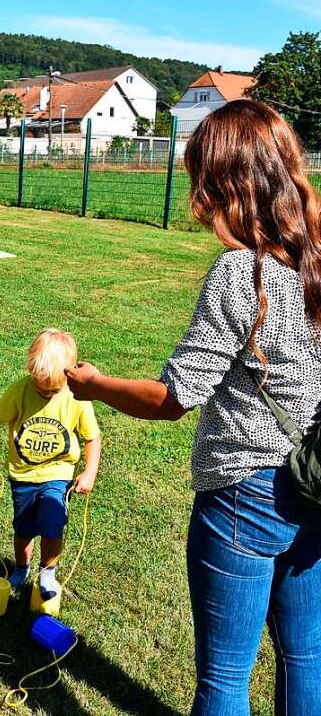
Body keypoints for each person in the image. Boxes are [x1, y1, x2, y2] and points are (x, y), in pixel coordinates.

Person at [64, 100, 321, 716]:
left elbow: (174, 398)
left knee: (226, 679)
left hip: (245, 496)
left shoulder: (243, 273)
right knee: (307, 659)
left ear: (227, 184)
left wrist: (94, 384)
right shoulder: (317, 258)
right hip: (316, 484)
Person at [0, 328, 101, 600]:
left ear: (69, 375)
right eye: (39, 386)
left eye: (53, 389)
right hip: (22, 475)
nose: (45, 393)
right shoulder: (20, 390)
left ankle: (48, 571)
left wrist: (89, 471)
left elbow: (92, 437)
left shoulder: (77, 396)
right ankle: (21, 569)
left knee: (52, 523)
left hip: (58, 474)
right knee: (23, 529)